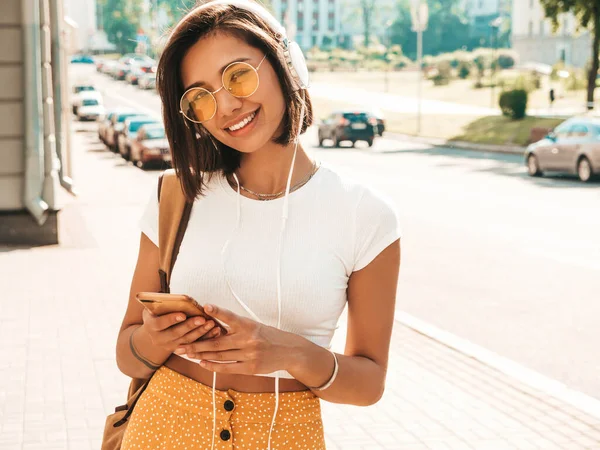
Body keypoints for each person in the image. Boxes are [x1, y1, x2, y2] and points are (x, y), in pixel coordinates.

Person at [115, 1, 401, 449]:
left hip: (286, 435)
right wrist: (153, 339)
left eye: (238, 75)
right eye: (201, 97)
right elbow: (127, 355)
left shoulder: (364, 215)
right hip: (163, 428)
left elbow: (369, 384)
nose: (227, 105)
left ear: (286, 63)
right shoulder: (176, 196)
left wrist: (290, 353)